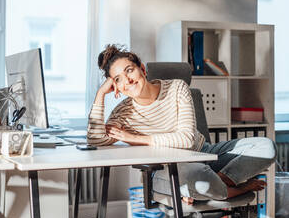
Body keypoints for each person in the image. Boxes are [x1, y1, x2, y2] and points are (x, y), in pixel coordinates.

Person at [87, 44, 277, 203]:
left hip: (204, 152)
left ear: (142, 69)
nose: (127, 80)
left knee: (266, 147)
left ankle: (214, 184)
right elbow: (95, 140)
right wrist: (100, 94)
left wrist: (135, 138)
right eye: (118, 79)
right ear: (117, 88)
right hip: (170, 168)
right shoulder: (123, 112)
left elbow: (186, 139)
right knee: (200, 180)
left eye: (129, 70)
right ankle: (230, 188)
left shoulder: (177, 87)